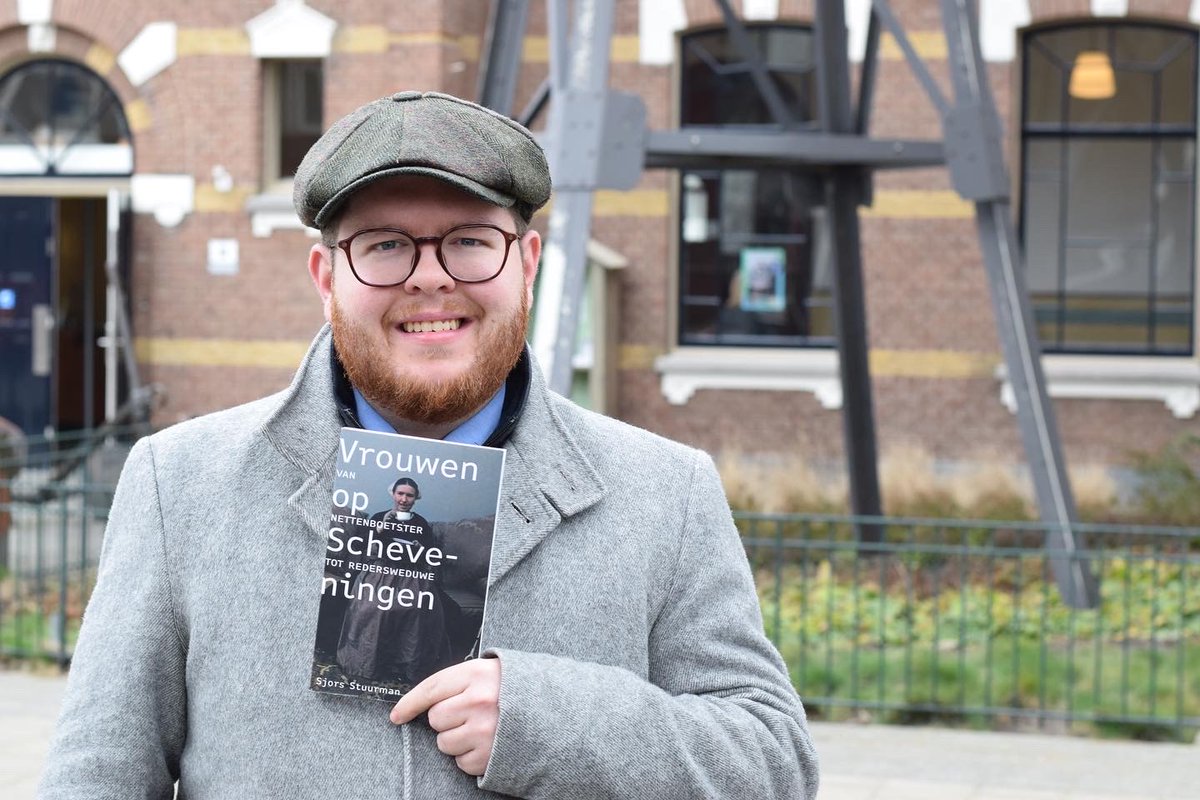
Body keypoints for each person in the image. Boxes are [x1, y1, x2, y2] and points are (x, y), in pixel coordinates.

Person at [39, 90, 819, 799]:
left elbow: (773, 763)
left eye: (471, 241)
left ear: (529, 263)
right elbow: (94, 781)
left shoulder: (666, 494)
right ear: (325, 275)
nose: (430, 279)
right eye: (383, 245)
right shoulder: (180, 486)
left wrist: (548, 719)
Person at [335, 477, 454, 686]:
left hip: (410, 574)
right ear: (393, 494)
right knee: (373, 607)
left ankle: (405, 667)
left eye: (409, 495)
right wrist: (381, 528)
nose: (404, 499)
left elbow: (428, 556)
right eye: (401, 494)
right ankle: (368, 664)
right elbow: (365, 548)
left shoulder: (421, 523)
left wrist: (420, 548)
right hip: (380, 571)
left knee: (418, 608)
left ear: (416, 498)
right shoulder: (381, 516)